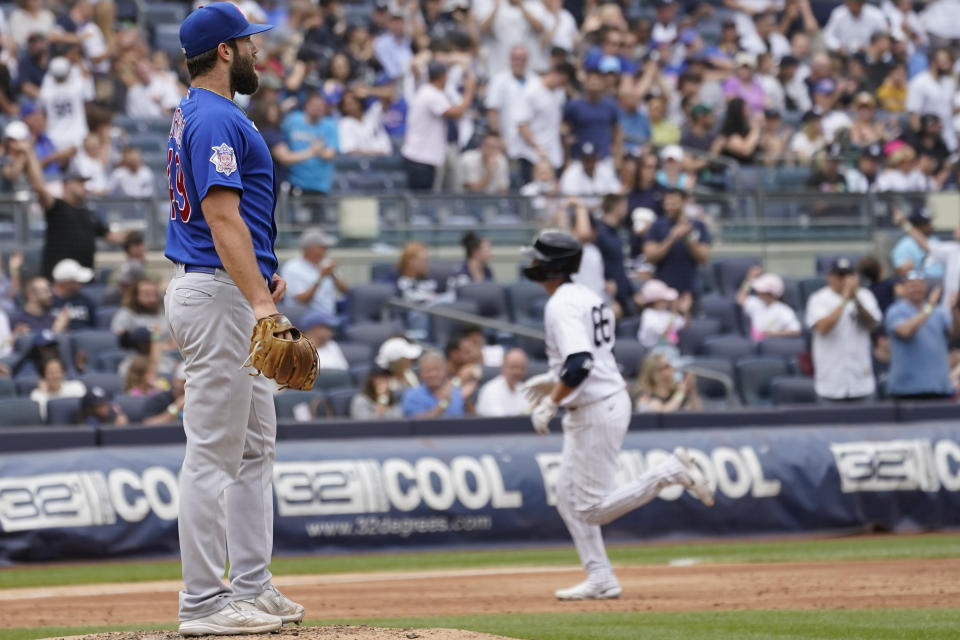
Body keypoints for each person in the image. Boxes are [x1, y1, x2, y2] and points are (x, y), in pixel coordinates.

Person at [164, 5, 304, 635]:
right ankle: (202, 602)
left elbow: (230, 220)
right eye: (249, 43)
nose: (257, 53)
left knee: (253, 450)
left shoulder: (204, 112)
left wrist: (260, 276)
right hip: (218, 295)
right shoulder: (216, 116)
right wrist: (263, 304)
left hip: (229, 288)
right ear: (225, 51)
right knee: (213, 456)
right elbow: (222, 220)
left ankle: (252, 584)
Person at [520, 230, 712, 600]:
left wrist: (550, 401)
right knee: (566, 497)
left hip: (596, 406)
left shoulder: (561, 303)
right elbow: (586, 359)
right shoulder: (585, 295)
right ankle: (601, 577)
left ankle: (670, 471)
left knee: (590, 508)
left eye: (538, 259)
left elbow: (580, 363)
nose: (531, 264)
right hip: (599, 400)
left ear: (552, 267)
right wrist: (552, 379)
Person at [23, 142, 124, 278]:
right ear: (66, 184)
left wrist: (131, 236)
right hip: (57, 278)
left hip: (85, 278)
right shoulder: (57, 207)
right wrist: (29, 153)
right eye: (79, 182)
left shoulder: (89, 214)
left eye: (84, 182)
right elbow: (39, 187)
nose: (83, 185)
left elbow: (111, 236)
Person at [805, 258, 881, 402]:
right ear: (830, 277)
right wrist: (844, 300)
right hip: (830, 384)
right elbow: (823, 328)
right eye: (840, 275)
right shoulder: (818, 299)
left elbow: (872, 324)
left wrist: (856, 300)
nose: (845, 280)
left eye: (849, 275)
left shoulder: (865, 296)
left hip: (861, 382)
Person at [401, 61, 476, 191]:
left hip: (422, 158)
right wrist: (469, 90)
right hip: (420, 158)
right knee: (421, 203)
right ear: (443, 77)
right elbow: (457, 113)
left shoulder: (429, 92)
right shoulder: (430, 94)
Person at [885, 272, 959, 400]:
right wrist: (929, 307)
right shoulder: (896, 311)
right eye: (912, 285)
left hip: (939, 387)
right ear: (904, 288)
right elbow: (905, 331)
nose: (917, 289)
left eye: (920, 285)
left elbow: (956, 333)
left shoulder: (939, 312)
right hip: (907, 390)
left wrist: (954, 310)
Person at [644, 188, 711, 298]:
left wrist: (688, 239)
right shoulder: (657, 225)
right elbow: (650, 257)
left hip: (690, 290)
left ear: (684, 202)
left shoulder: (697, 225)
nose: (669, 207)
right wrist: (671, 238)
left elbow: (704, 258)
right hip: (663, 290)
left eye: (674, 204)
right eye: (666, 204)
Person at [280, 227, 348, 316]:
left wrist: (333, 275)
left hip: (331, 315)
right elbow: (301, 300)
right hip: (303, 317)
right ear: (309, 249)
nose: (326, 250)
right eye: (322, 247)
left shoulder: (327, 263)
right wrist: (321, 277)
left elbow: (346, 291)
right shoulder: (292, 267)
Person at [282, 91, 338, 197]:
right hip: (295, 182)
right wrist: (314, 151)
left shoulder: (330, 125)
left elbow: (330, 154)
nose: (317, 108)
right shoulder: (292, 120)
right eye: (314, 105)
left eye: (320, 106)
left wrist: (318, 151)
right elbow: (279, 140)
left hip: (320, 185)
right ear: (306, 106)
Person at [593, 194, 635, 317]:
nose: (626, 210)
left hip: (622, 296)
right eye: (624, 206)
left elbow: (619, 267)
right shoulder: (599, 234)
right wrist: (603, 284)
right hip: (605, 298)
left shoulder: (618, 233)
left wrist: (632, 293)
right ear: (616, 207)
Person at [736, 267, 801, 341]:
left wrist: (774, 334)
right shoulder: (755, 303)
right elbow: (740, 299)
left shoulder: (783, 310)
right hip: (755, 344)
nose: (759, 292)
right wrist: (749, 280)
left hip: (773, 344)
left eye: (762, 291)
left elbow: (796, 331)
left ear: (771, 294)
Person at [401, 349, 469, 418]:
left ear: (445, 371)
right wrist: (444, 403)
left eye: (437, 369)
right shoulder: (412, 396)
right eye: (428, 370)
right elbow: (419, 424)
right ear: (420, 374)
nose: (433, 374)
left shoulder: (458, 394)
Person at [634, 352, 701, 412]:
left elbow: (696, 411)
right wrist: (680, 393)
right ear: (655, 372)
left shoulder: (675, 390)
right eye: (667, 366)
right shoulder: (644, 394)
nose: (672, 368)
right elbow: (664, 414)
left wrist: (691, 390)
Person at [29, 355, 86, 421]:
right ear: (44, 375)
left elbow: (85, 411)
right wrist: (43, 393)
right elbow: (42, 418)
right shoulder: (37, 395)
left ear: (63, 374)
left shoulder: (76, 387)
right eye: (51, 373)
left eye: (58, 372)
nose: (55, 376)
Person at [476, 347, 529, 417]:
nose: (517, 372)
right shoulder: (490, 389)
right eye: (513, 367)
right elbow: (500, 421)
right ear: (503, 367)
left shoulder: (526, 389)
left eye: (521, 368)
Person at [637, 278, 689, 349]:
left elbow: (685, 325)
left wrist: (685, 311)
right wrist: (674, 310)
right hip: (652, 352)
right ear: (657, 301)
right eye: (664, 299)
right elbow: (664, 334)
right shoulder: (648, 314)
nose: (668, 302)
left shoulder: (665, 313)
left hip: (668, 350)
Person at [50, 258, 97, 330]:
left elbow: (95, 328)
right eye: (77, 281)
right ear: (65, 284)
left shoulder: (86, 301)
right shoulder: (48, 302)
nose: (81, 284)